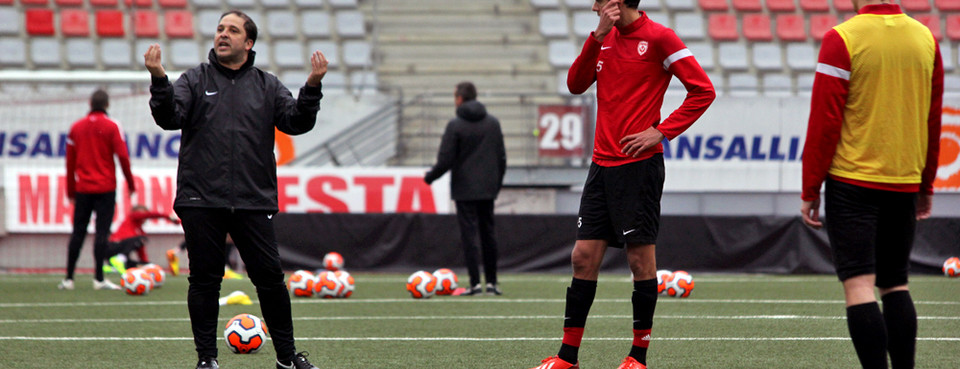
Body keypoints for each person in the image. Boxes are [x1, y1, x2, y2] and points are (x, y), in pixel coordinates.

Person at [531, 0, 715, 368]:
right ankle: (568, 356)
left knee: (640, 262)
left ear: (616, 1)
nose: (593, 5)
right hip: (601, 165)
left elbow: (703, 90)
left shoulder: (660, 38)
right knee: (582, 258)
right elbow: (575, 84)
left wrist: (661, 132)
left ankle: (637, 357)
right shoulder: (603, 38)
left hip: (639, 168)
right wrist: (596, 37)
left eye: (599, 0)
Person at [144, 10, 328, 369]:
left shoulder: (267, 85)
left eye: (232, 30)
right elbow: (169, 118)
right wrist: (159, 80)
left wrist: (312, 88)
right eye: (219, 29)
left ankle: (287, 358)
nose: (223, 35)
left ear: (249, 42)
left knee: (271, 280)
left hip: (252, 199)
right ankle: (206, 360)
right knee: (204, 281)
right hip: (200, 198)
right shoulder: (194, 79)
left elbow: (296, 122)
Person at [800, 0, 943, 367]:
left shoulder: (842, 38)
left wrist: (810, 188)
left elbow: (825, 121)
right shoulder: (926, 39)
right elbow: (933, 119)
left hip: (853, 182)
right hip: (905, 179)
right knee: (896, 283)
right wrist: (926, 183)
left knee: (859, 284)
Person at [424, 82, 507, 296]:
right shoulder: (493, 123)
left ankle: (475, 284)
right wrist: (495, 185)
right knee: (488, 234)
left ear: (460, 98)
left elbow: (446, 159)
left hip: (464, 189)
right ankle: (492, 283)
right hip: (487, 188)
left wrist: (430, 177)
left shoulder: (455, 125)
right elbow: (501, 158)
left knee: (469, 236)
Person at [58, 89, 137, 291]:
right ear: (107, 105)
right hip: (106, 188)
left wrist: (70, 192)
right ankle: (99, 279)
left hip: (83, 188)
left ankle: (69, 279)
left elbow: (69, 162)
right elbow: (123, 156)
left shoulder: (76, 127)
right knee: (102, 233)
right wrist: (131, 184)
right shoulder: (112, 126)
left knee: (78, 232)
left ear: (90, 103)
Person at [104, 204, 180, 274]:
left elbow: (141, 253)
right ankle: (119, 259)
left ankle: (112, 266)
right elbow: (149, 215)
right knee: (141, 239)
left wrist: (147, 264)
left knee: (142, 265)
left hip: (118, 256)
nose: (143, 216)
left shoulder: (140, 232)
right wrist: (168, 216)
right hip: (113, 246)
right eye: (142, 213)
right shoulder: (132, 217)